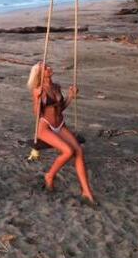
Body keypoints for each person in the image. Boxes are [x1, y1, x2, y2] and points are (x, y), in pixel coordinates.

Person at [27, 62, 96, 205]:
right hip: (45, 127)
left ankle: (86, 191)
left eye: (48, 66)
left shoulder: (56, 87)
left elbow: (60, 107)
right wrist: (37, 100)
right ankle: (49, 175)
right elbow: (37, 114)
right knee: (68, 151)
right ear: (40, 73)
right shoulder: (38, 90)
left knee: (79, 151)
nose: (49, 68)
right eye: (45, 68)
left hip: (60, 124)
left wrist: (70, 96)